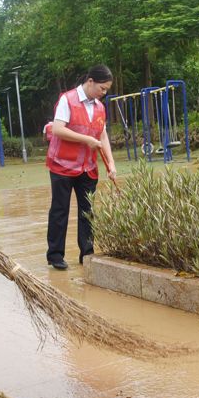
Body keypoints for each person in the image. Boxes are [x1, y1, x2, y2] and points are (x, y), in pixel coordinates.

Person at [45, 64, 116, 270]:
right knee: (60, 210)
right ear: (90, 81)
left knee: (88, 210)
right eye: (102, 88)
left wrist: (111, 162)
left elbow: (102, 135)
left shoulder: (99, 107)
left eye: (106, 90)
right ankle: (55, 255)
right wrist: (86, 139)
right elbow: (58, 129)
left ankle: (87, 252)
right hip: (62, 165)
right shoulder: (67, 100)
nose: (103, 93)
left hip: (88, 167)